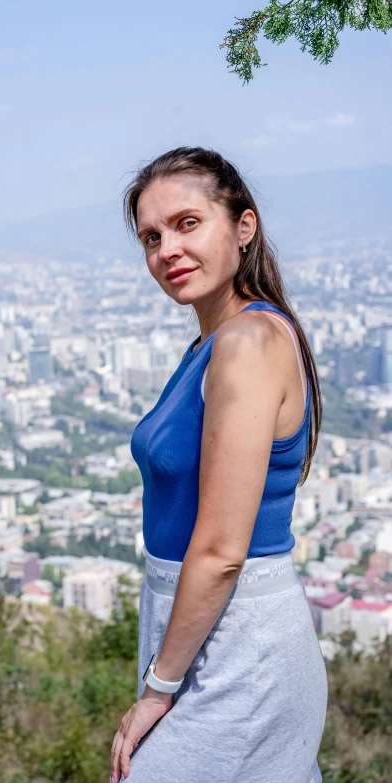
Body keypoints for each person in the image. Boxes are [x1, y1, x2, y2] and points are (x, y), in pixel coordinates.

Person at [110, 147, 328, 783]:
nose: (166, 250)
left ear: (243, 226)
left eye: (186, 224)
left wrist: (157, 688)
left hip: (241, 647)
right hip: (200, 634)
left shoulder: (248, 341)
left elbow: (222, 548)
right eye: (151, 237)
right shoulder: (210, 342)